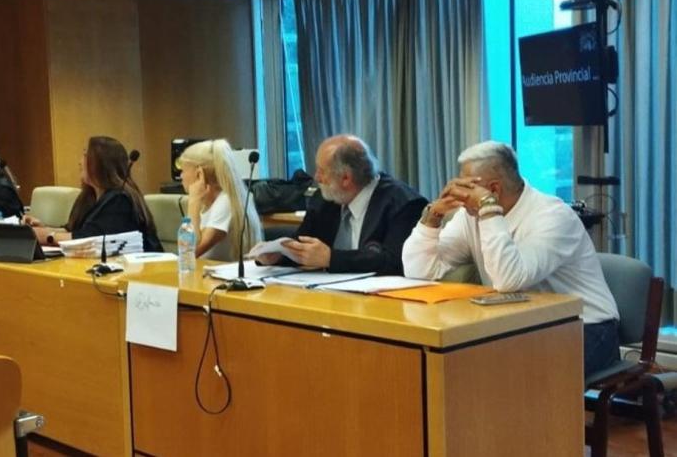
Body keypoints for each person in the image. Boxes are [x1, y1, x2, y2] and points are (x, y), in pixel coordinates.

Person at [402, 141, 620, 377]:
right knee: (463, 363)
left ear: (493, 189)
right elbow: (418, 272)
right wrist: (433, 216)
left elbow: (509, 280)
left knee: (511, 374)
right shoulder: (469, 217)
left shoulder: (553, 216)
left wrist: (488, 209)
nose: (459, 195)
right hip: (522, 325)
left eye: (466, 187)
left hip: (587, 325)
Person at [257, 134, 427, 275]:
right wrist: (279, 256)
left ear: (346, 178)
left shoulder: (405, 205)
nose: (316, 177)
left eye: (322, 171)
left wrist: (331, 258)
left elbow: (395, 261)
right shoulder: (325, 199)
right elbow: (305, 245)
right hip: (328, 293)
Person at [29, 136, 163, 252]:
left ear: (101, 163)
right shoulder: (88, 197)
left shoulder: (121, 199)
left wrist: (47, 236)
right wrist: (42, 229)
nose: (80, 162)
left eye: (85, 155)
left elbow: (90, 239)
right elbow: (74, 231)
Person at [175, 139, 262, 261]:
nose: (181, 176)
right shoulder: (207, 203)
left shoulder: (225, 202)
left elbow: (189, 252)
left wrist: (193, 201)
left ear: (199, 174)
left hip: (228, 273)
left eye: (183, 171)